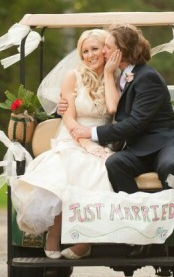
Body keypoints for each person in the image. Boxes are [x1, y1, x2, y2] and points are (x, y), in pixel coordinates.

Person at [70, 23, 174, 260]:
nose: (103, 52)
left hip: (164, 144)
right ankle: (141, 233)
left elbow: (136, 124)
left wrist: (92, 133)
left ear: (123, 50)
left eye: (107, 47)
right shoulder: (125, 75)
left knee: (169, 167)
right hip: (140, 148)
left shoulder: (147, 77)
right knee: (115, 164)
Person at [11, 29, 121, 260]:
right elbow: (69, 117)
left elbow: (113, 110)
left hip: (101, 136)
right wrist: (84, 143)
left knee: (98, 170)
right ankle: (55, 231)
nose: (90, 55)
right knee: (65, 169)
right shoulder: (73, 76)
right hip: (71, 136)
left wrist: (110, 74)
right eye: (85, 51)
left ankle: (86, 238)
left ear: (105, 50)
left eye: (95, 49)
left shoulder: (118, 76)